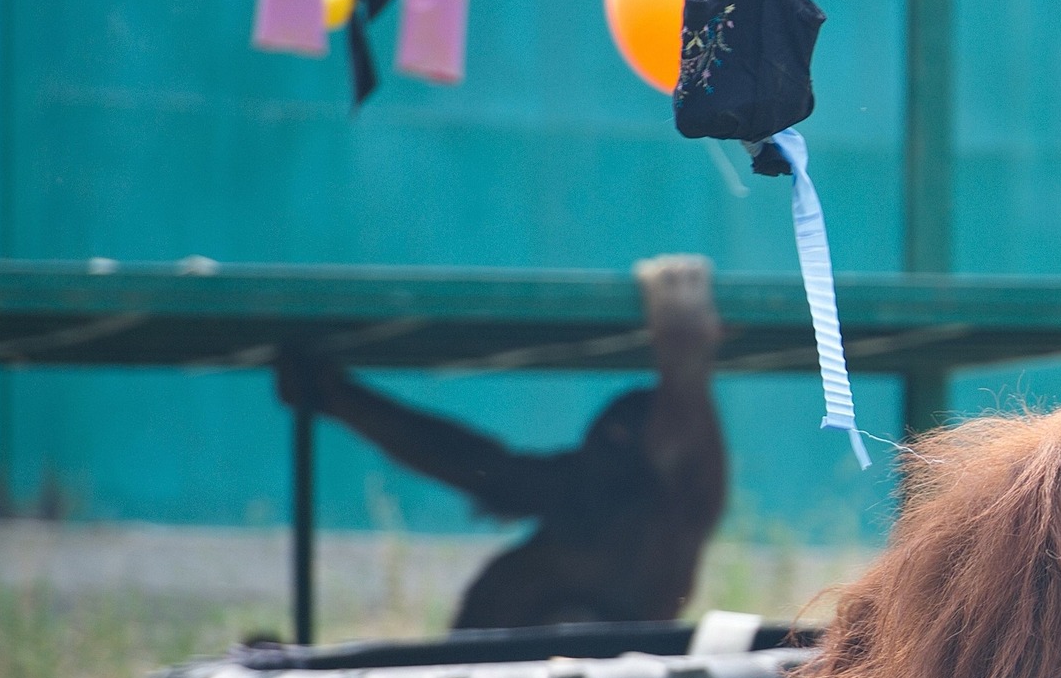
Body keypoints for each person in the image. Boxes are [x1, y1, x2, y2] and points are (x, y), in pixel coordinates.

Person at [277, 256, 726, 630]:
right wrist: (340, 398)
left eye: (620, 442)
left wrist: (681, 341)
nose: (608, 446)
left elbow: (683, 438)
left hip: (579, 676)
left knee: (574, 625)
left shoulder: (677, 504)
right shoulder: (584, 486)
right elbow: (479, 468)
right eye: (603, 440)